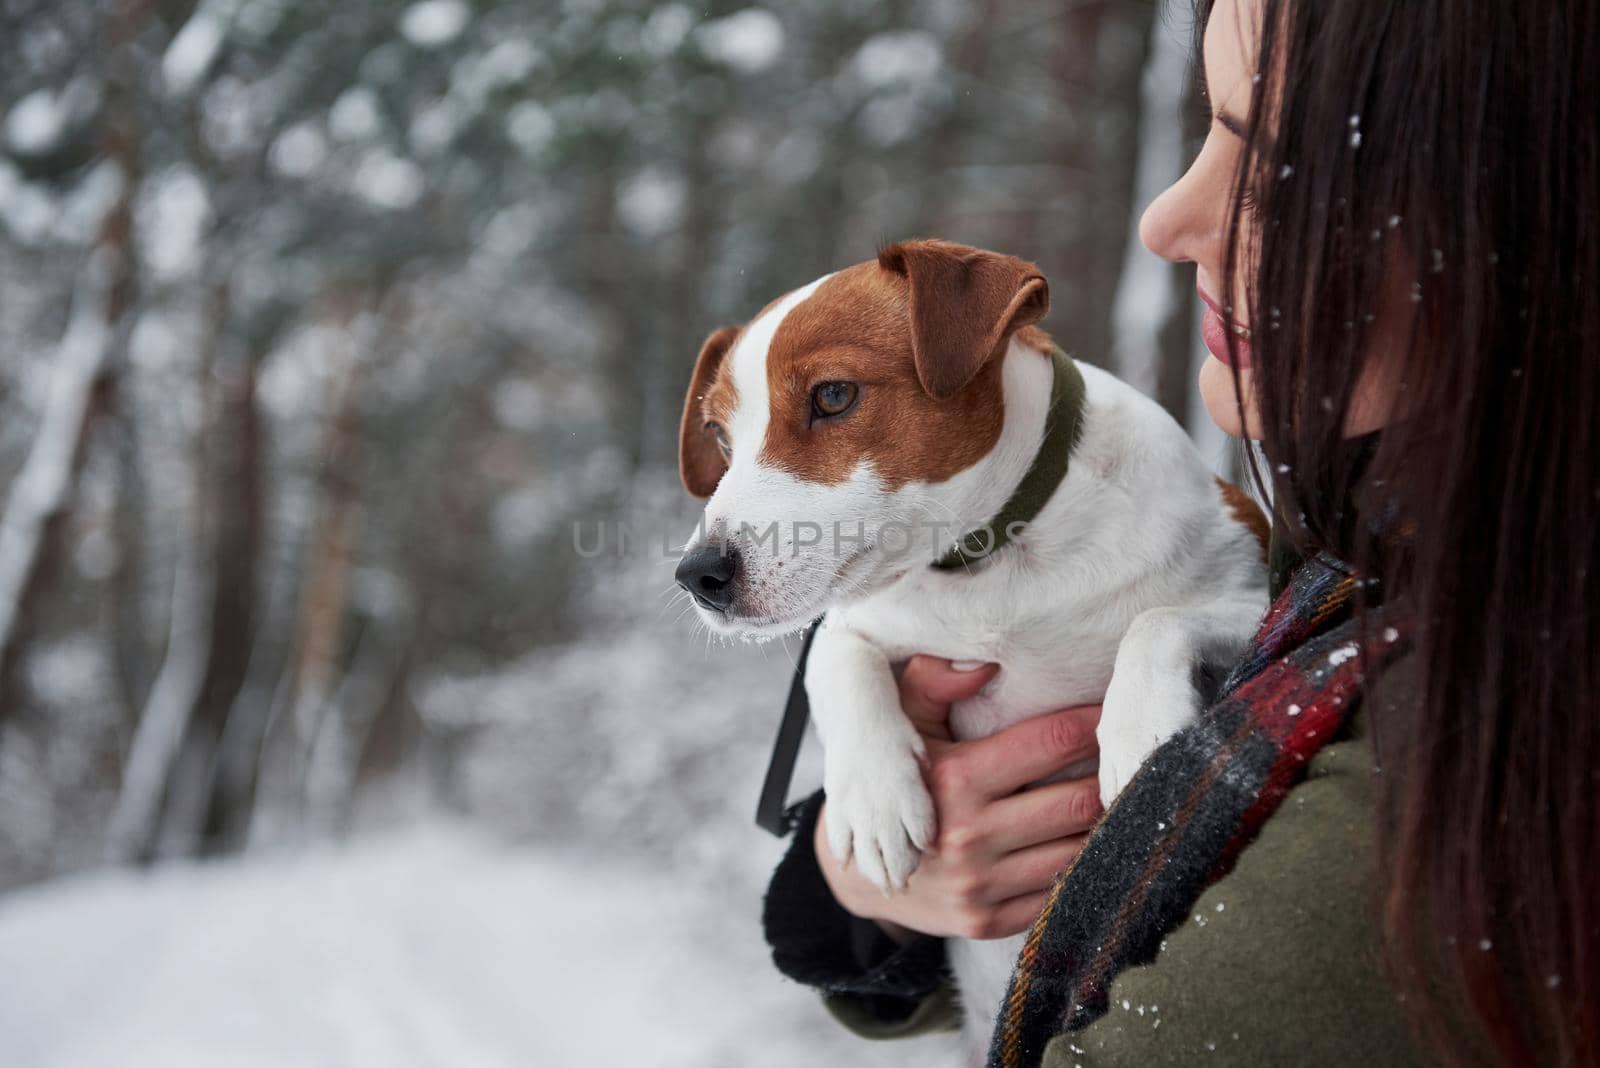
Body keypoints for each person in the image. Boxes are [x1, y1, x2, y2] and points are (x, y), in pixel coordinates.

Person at [761, 0, 1600, 1064]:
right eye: (1209, 125)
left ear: (1533, 214)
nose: (1167, 220)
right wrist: (867, 881)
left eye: (1280, 165)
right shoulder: (1355, 548)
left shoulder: (1426, 782)